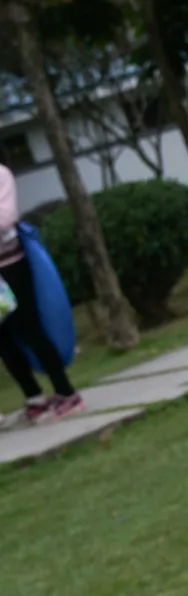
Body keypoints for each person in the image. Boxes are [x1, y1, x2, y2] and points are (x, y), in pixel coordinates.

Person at [0, 165, 84, 424]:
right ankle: (33, 397)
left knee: (28, 328)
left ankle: (66, 392)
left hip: (11, 265)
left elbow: (5, 216)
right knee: (3, 339)